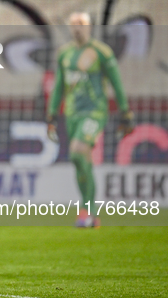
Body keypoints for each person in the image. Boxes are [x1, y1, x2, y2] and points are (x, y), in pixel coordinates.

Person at [46, 12, 134, 228]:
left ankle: (89, 209)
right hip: (72, 113)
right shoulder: (64, 54)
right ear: (69, 28)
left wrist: (125, 111)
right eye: (74, 25)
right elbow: (59, 86)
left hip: (95, 112)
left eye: (82, 24)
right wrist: (52, 113)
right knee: (78, 160)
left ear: (90, 27)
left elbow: (116, 82)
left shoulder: (101, 52)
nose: (78, 29)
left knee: (77, 151)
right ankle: (88, 211)